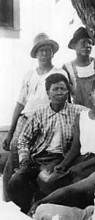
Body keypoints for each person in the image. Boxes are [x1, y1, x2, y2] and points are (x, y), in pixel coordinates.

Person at [7, 73, 85, 213]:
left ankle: (39, 209)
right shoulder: (39, 113)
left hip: (61, 159)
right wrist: (24, 158)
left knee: (46, 180)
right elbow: (23, 139)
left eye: (62, 88)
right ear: (48, 92)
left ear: (68, 91)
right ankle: (27, 211)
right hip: (37, 158)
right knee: (16, 181)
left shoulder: (79, 111)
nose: (59, 92)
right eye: (55, 89)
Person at [2, 33, 66, 201]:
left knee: (37, 158)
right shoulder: (30, 74)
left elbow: (65, 98)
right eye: (40, 51)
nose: (44, 54)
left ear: (53, 52)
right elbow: (21, 103)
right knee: (16, 151)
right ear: (36, 54)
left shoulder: (59, 72)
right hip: (26, 119)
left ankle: (30, 199)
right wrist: (10, 131)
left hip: (46, 120)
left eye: (47, 50)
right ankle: (8, 198)